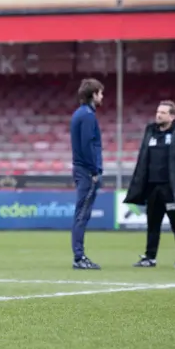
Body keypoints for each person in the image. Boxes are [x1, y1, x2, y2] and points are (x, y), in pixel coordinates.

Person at [125, 100, 175, 268]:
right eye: (158, 111)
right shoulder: (150, 131)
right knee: (153, 224)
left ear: (172, 116)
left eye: (163, 112)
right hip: (152, 187)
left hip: (169, 188)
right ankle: (150, 257)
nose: (158, 115)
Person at [69, 78, 104, 270]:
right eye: (100, 93)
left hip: (81, 169)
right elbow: (87, 146)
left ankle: (79, 255)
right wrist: (94, 171)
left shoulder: (81, 114)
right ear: (94, 94)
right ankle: (79, 257)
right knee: (82, 214)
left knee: (81, 214)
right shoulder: (87, 116)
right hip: (86, 171)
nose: (102, 96)